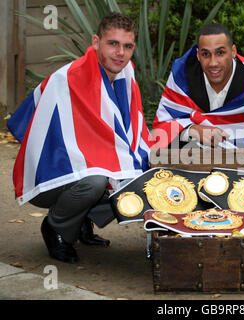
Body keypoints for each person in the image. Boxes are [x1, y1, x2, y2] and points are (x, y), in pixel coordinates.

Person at [7, 13, 151, 263]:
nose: (120, 53)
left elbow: (127, 137)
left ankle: (81, 220)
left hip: (81, 170)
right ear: (96, 42)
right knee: (95, 180)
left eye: (127, 46)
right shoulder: (69, 79)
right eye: (113, 44)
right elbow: (26, 127)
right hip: (52, 177)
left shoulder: (127, 78)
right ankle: (56, 228)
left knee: (141, 172)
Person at [152, 23, 244, 149]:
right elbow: (161, 128)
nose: (213, 63)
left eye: (220, 53)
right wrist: (192, 130)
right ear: (198, 55)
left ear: (233, 52)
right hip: (192, 160)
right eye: (206, 54)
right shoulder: (183, 75)